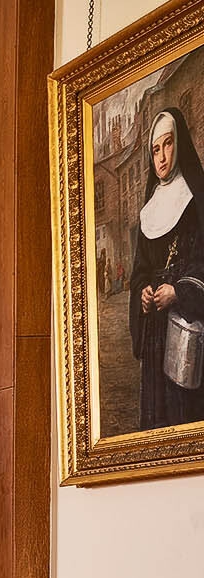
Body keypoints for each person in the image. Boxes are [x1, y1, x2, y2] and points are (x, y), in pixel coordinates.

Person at [129, 107, 204, 429]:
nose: (161, 156)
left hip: (188, 319)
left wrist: (181, 291)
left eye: (168, 144)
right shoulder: (150, 208)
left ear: (181, 144)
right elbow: (142, 270)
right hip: (156, 328)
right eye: (155, 149)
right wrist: (143, 292)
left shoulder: (197, 198)